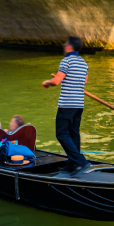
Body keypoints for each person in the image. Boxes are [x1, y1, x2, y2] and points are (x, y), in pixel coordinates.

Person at [42, 35, 89, 173]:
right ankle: (73, 163)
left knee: (61, 133)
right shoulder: (84, 63)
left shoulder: (66, 61)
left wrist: (47, 83)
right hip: (79, 104)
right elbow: (84, 81)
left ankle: (80, 160)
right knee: (74, 134)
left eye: (66, 43)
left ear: (70, 47)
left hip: (67, 103)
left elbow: (56, 81)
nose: (64, 45)